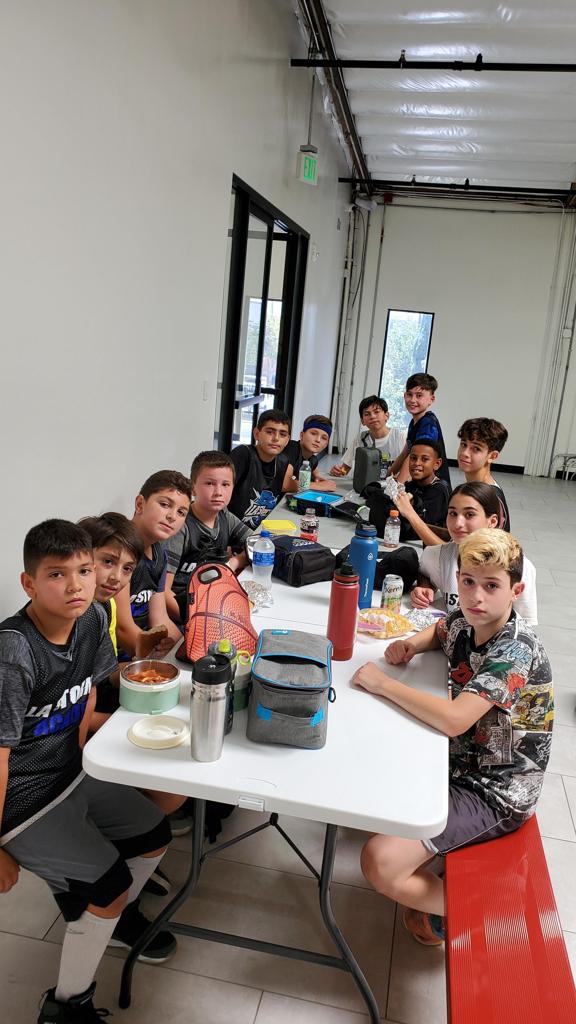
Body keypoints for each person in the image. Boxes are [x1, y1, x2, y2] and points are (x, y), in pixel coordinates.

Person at [0, 520, 177, 1024]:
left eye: (83, 570)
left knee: (154, 834)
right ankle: (65, 1007)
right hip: (21, 797)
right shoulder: (13, 652)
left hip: (69, 772)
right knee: (109, 885)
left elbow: (91, 691)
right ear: (29, 584)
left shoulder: (95, 617)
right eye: (57, 574)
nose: (76, 585)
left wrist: (87, 765)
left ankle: (104, 916)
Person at [353, 529, 553, 946]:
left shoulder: (516, 650)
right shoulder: (469, 619)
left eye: (491, 586)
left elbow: (455, 720)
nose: (476, 596)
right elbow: (442, 630)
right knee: (369, 774)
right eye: (468, 582)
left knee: (380, 861)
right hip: (460, 762)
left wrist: (383, 684)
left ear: (516, 591)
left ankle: (479, 907)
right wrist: (409, 645)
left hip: (496, 791)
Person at [411, 483, 538, 624]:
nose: (458, 523)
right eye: (453, 513)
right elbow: (425, 573)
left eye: (469, 515)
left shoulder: (520, 567)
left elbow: (525, 625)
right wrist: (425, 587)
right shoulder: (435, 556)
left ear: (492, 521)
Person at [165, 450, 252, 622]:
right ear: (193, 488)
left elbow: (257, 544)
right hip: (184, 609)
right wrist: (193, 622)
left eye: (226, 484)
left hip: (215, 600)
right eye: (210, 483)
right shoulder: (181, 526)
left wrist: (234, 562)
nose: (218, 492)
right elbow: (163, 592)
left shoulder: (224, 516)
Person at [115, 470, 191, 657]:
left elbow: (160, 618)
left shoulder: (160, 555)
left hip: (144, 649)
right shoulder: (119, 551)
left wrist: (188, 649)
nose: (172, 516)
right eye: (164, 504)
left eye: (181, 512)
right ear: (140, 504)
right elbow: (122, 628)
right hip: (117, 657)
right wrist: (156, 659)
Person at [365, 441, 450, 540]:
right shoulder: (411, 485)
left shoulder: (439, 491)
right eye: (413, 458)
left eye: (424, 459)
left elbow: (421, 527)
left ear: (437, 464)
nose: (417, 463)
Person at [228, 408, 293, 528]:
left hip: (262, 531)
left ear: (287, 440)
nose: (276, 438)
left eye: (282, 434)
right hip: (232, 530)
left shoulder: (283, 462)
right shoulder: (243, 454)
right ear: (256, 434)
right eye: (270, 432)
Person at [387, 373, 451, 487]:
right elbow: (405, 453)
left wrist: (398, 486)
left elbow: (415, 456)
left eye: (419, 395)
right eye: (409, 394)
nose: (413, 400)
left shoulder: (428, 424)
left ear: (431, 399)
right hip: (419, 483)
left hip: (434, 487)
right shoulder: (413, 423)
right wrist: (386, 477)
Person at [330, 395, 406, 479]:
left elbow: (408, 467)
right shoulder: (360, 438)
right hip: (366, 484)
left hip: (392, 484)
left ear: (386, 415)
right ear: (362, 421)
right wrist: (338, 471)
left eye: (376, 412)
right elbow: (345, 468)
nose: (372, 416)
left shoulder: (399, 436)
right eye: (367, 414)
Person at [457, 417, 511, 530]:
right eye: (464, 444)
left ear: (492, 456)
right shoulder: (475, 486)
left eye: (476, 449)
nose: (465, 453)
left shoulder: (490, 496)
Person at [283, 414, 336, 492]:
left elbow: (312, 466)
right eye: (313, 433)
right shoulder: (291, 448)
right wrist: (321, 486)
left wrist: (317, 475)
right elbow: (285, 485)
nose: (318, 440)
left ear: (326, 444)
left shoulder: (313, 460)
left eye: (324, 438)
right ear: (302, 435)